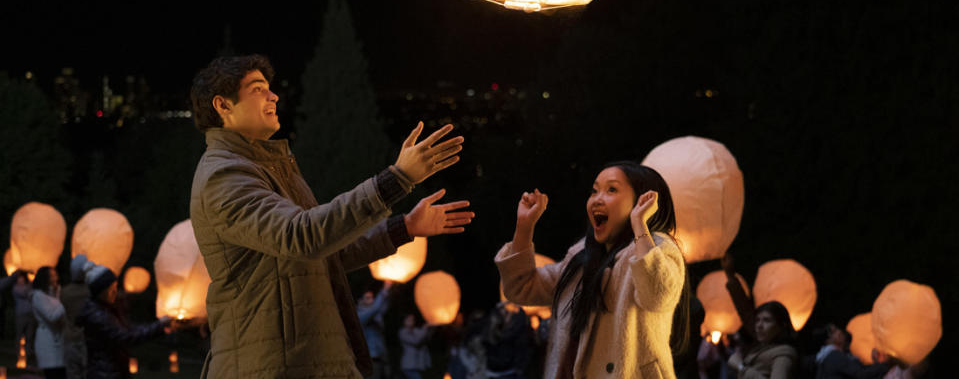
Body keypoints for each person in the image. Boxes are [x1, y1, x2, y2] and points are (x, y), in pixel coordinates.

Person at [189, 54, 474, 378]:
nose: (274, 96)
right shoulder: (223, 175)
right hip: (272, 363)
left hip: (307, 359)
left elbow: (326, 253)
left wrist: (403, 228)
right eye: (258, 89)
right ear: (223, 106)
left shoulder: (272, 168)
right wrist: (396, 180)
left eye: (270, 88)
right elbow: (302, 236)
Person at [495, 161, 690, 379]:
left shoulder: (657, 248)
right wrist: (524, 227)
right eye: (595, 190)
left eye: (612, 189)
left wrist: (639, 225)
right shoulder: (581, 257)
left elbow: (657, 296)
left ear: (642, 201)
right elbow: (522, 288)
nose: (597, 199)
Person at [77, 261, 176, 379]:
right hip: (104, 373)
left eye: (115, 287)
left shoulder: (107, 309)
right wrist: (159, 325)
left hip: (113, 370)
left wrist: (161, 328)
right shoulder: (97, 315)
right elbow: (126, 336)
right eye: (111, 289)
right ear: (100, 291)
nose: (115, 292)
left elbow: (129, 328)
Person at [727, 301, 797, 379]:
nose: (759, 325)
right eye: (757, 320)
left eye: (767, 320)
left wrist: (741, 367)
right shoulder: (760, 348)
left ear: (781, 325)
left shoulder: (784, 353)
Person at [814, 323, 889, 379]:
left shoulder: (832, 356)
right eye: (834, 332)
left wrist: (876, 362)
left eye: (837, 329)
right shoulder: (834, 356)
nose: (839, 332)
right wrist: (885, 364)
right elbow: (860, 374)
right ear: (828, 340)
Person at [32, 266, 66, 379]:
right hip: (47, 342)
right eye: (52, 275)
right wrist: (65, 303)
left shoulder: (55, 294)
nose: (56, 278)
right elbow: (51, 316)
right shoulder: (38, 296)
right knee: (53, 374)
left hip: (59, 340)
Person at [60, 254, 91, 379]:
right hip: (87, 339)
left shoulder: (64, 292)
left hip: (69, 339)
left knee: (72, 374)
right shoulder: (91, 292)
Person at [357, 282, 392, 378]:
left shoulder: (376, 314)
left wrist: (389, 290)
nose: (371, 300)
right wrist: (385, 289)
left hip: (382, 357)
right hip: (370, 359)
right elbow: (376, 308)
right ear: (361, 300)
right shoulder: (360, 315)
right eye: (367, 298)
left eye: (372, 297)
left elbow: (383, 306)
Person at [12, 269, 37, 362]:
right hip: (20, 315)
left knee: (29, 336)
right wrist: (31, 282)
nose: (21, 280)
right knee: (19, 335)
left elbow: (32, 295)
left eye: (22, 278)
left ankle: (28, 354)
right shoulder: (16, 288)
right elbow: (25, 293)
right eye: (19, 278)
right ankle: (19, 355)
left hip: (30, 315)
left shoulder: (29, 287)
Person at [398, 313, 431, 379]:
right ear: (404, 321)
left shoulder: (416, 330)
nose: (411, 321)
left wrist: (431, 328)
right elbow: (415, 340)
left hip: (419, 365)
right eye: (409, 319)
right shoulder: (402, 332)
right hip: (408, 366)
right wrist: (424, 329)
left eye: (412, 319)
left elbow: (426, 338)